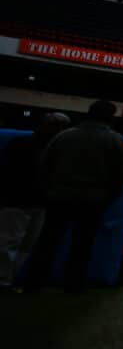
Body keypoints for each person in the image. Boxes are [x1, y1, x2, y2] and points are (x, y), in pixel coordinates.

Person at [20, 101, 123, 293]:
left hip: (60, 196)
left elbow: (45, 165)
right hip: (93, 199)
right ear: (110, 117)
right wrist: (109, 196)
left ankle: (34, 282)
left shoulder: (65, 136)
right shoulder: (115, 140)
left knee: (48, 241)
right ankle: (74, 284)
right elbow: (121, 173)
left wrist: (50, 190)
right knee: (83, 244)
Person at [1, 112, 70, 285]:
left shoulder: (22, 144)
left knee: (20, 245)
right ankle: (5, 279)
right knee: (13, 243)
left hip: (31, 201)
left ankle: (7, 279)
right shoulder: (50, 150)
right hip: (21, 201)